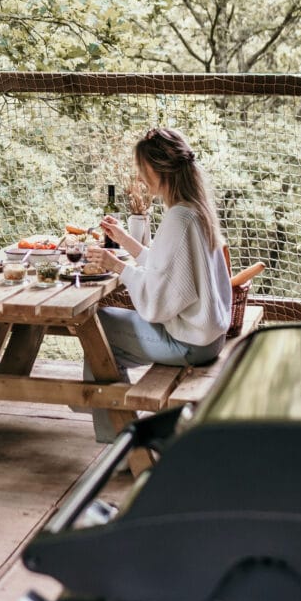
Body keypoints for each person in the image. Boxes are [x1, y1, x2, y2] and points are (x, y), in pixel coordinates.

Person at [83, 127, 232, 443]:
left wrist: (117, 266)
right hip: (208, 338)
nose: (139, 175)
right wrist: (125, 241)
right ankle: (106, 420)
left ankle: (116, 441)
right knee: (100, 329)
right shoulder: (194, 209)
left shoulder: (179, 217)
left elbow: (160, 298)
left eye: (142, 168)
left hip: (190, 344)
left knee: (93, 328)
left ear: (156, 169)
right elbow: (171, 270)